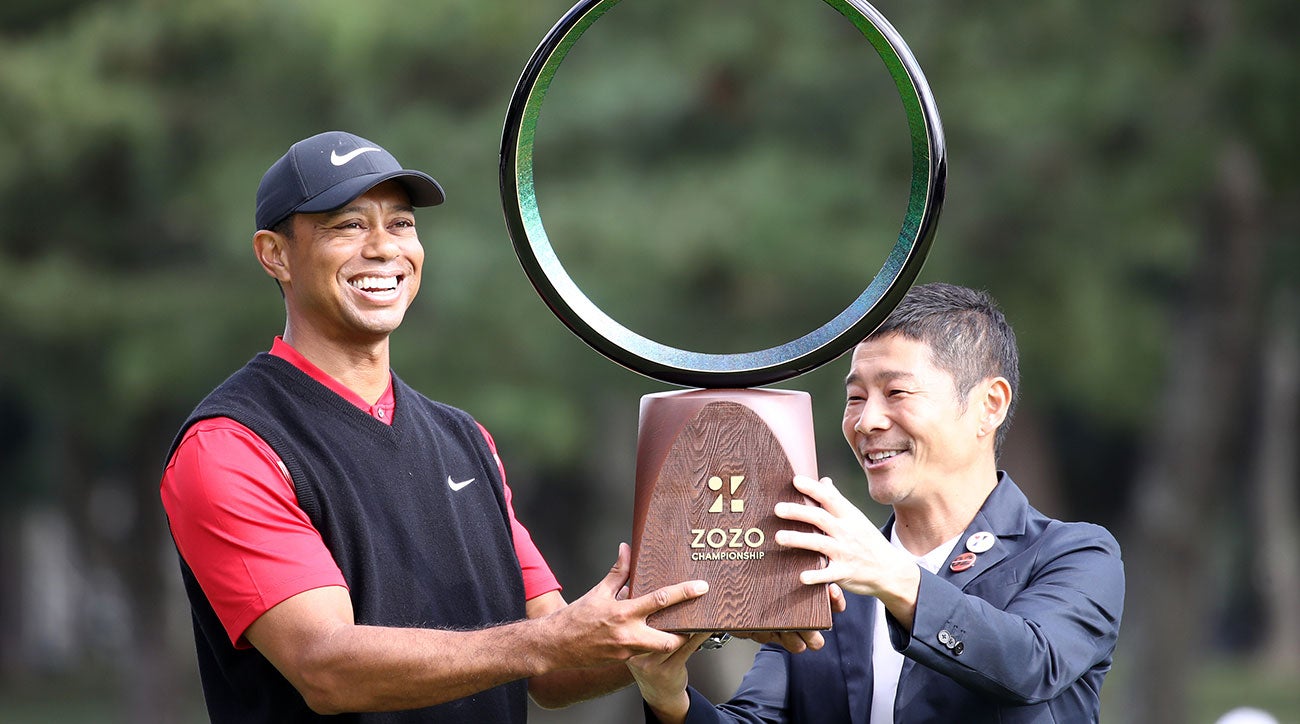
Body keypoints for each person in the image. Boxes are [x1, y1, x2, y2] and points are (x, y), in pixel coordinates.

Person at [160, 130, 717, 723]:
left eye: (400, 224)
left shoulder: (466, 441)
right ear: (275, 254)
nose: (383, 248)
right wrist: (551, 641)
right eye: (348, 225)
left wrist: (717, 604)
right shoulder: (232, 445)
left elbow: (556, 669)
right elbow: (326, 666)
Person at [629, 282, 1126, 722]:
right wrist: (671, 701)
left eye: (896, 392)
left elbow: (1029, 665)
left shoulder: (1075, 555)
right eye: (855, 398)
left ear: (988, 405)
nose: (867, 422)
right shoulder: (824, 578)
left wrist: (893, 577)